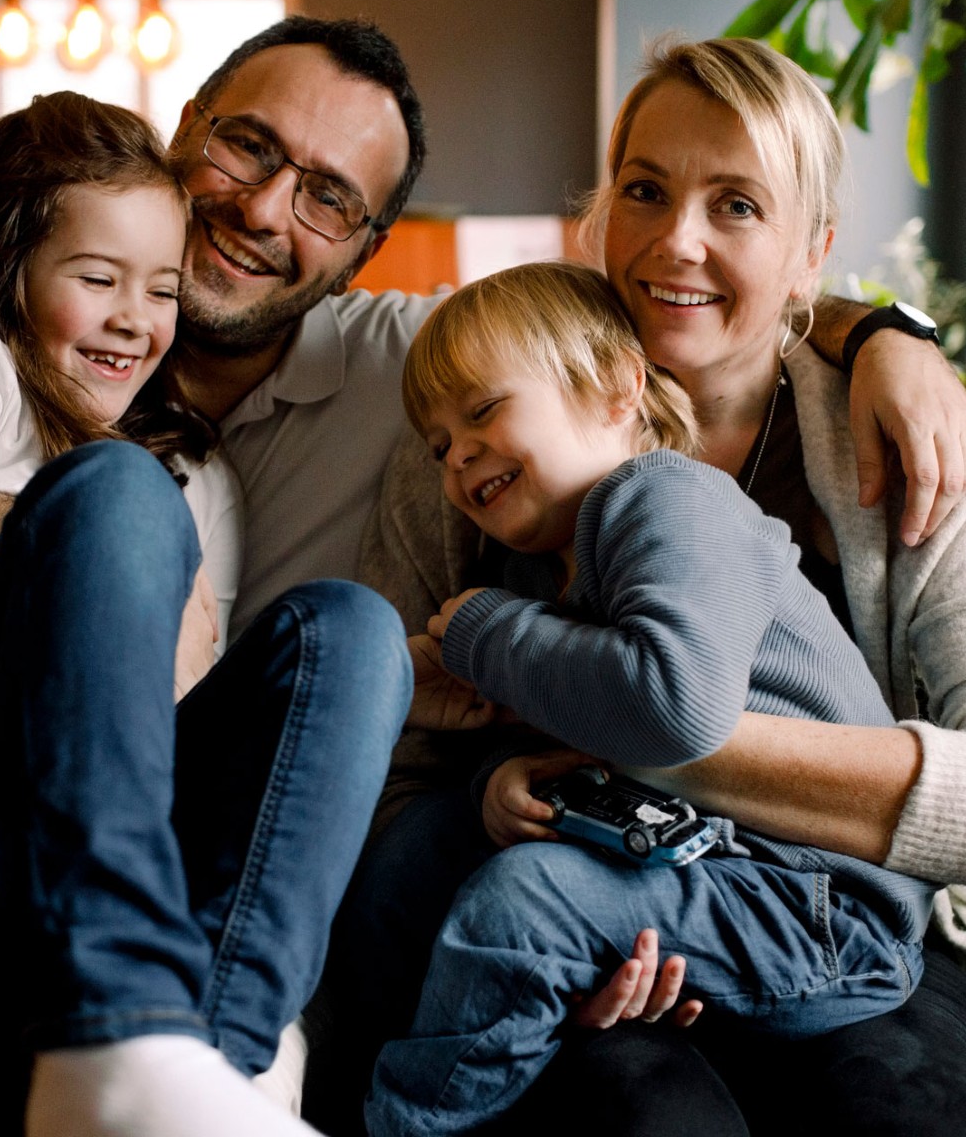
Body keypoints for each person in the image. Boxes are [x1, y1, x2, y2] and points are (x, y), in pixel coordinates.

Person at [0, 17, 966, 1135]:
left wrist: (887, 333)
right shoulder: (23, 327)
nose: (264, 210)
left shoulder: (402, 367)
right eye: (244, 146)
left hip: (194, 895)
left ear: (362, 254)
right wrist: (59, 562)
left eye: (331, 199)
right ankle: (127, 1035)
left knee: (347, 630)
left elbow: (628, 320)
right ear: (181, 135)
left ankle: (188, 1059)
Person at [340, 37, 966, 1137]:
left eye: (737, 205)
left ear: (812, 255)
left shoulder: (896, 440)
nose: (675, 240)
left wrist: (883, 334)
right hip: (585, 895)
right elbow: (395, 772)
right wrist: (505, 799)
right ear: (600, 214)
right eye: (644, 190)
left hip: (836, 909)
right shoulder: (483, 421)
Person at [361, 262, 936, 1136]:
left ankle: (409, 1121)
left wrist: (481, 633)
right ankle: (347, 1050)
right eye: (439, 445)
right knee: (422, 849)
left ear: (616, 388)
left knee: (526, 903)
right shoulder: (532, 569)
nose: (459, 455)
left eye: (482, 411)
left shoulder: (669, 498)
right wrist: (501, 779)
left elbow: (675, 704)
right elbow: (572, 732)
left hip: (823, 905)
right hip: (695, 858)